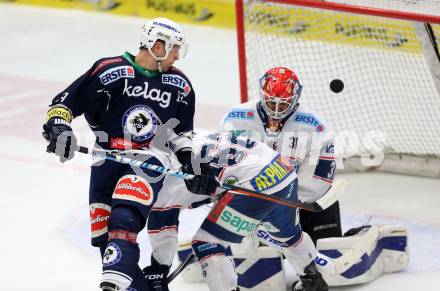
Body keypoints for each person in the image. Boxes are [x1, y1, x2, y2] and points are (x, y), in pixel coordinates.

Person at [42, 17, 217, 291]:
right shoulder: (108, 70)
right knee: (105, 242)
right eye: (173, 48)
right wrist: (58, 127)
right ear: (156, 45)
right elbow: (64, 103)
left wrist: (193, 166)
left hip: (150, 160)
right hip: (105, 160)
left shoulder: (180, 84)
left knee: (124, 220)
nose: (176, 55)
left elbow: (181, 135)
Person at [147, 133, 329, 291]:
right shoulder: (188, 138)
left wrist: (158, 273)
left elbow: (163, 234)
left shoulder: (160, 183)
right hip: (282, 169)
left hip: (255, 184)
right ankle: (313, 281)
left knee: (207, 242)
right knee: (289, 236)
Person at [219, 67, 341, 244]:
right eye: (271, 103)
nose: (276, 111)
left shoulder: (316, 126)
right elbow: (223, 164)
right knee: (257, 258)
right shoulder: (235, 119)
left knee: (325, 245)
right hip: (252, 206)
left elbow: (319, 177)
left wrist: (287, 201)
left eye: (283, 104)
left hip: (299, 204)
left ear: (295, 99)